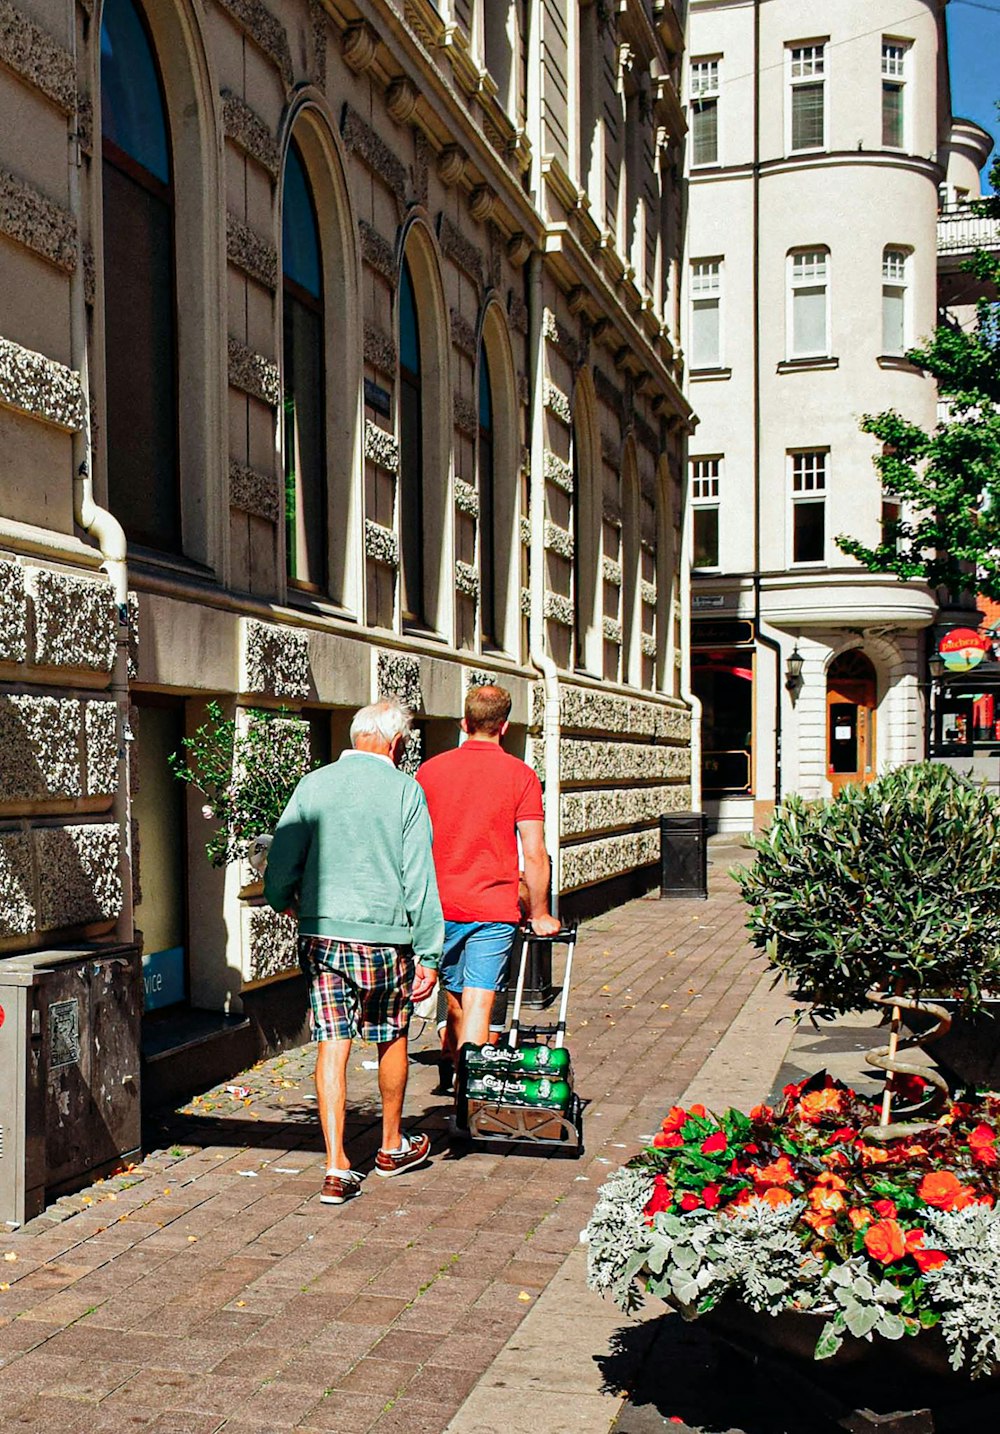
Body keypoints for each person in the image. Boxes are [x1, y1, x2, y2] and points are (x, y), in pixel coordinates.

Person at [264, 698, 443, 1205]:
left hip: (323, 936)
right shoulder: (406, 791)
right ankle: (390, 1145)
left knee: (332, 1043)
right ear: (396, 742)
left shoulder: (314, 784)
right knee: (391, 1037)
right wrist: (429, 953)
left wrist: (284, 900)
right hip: (386, 938)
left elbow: (282, 858)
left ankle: (337, 1165)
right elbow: (419, 878)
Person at [416, 684, 561, 1070]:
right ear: (505, 726)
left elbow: (413, 842)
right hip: (493, 907)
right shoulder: (521, 775)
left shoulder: (429, 771)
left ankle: (456, 1065)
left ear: (464, 723)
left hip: (439, 905)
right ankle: (469, 1099)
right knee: (480, 1000)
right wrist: (540, 912)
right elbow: (534, 850)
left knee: (457, 996)